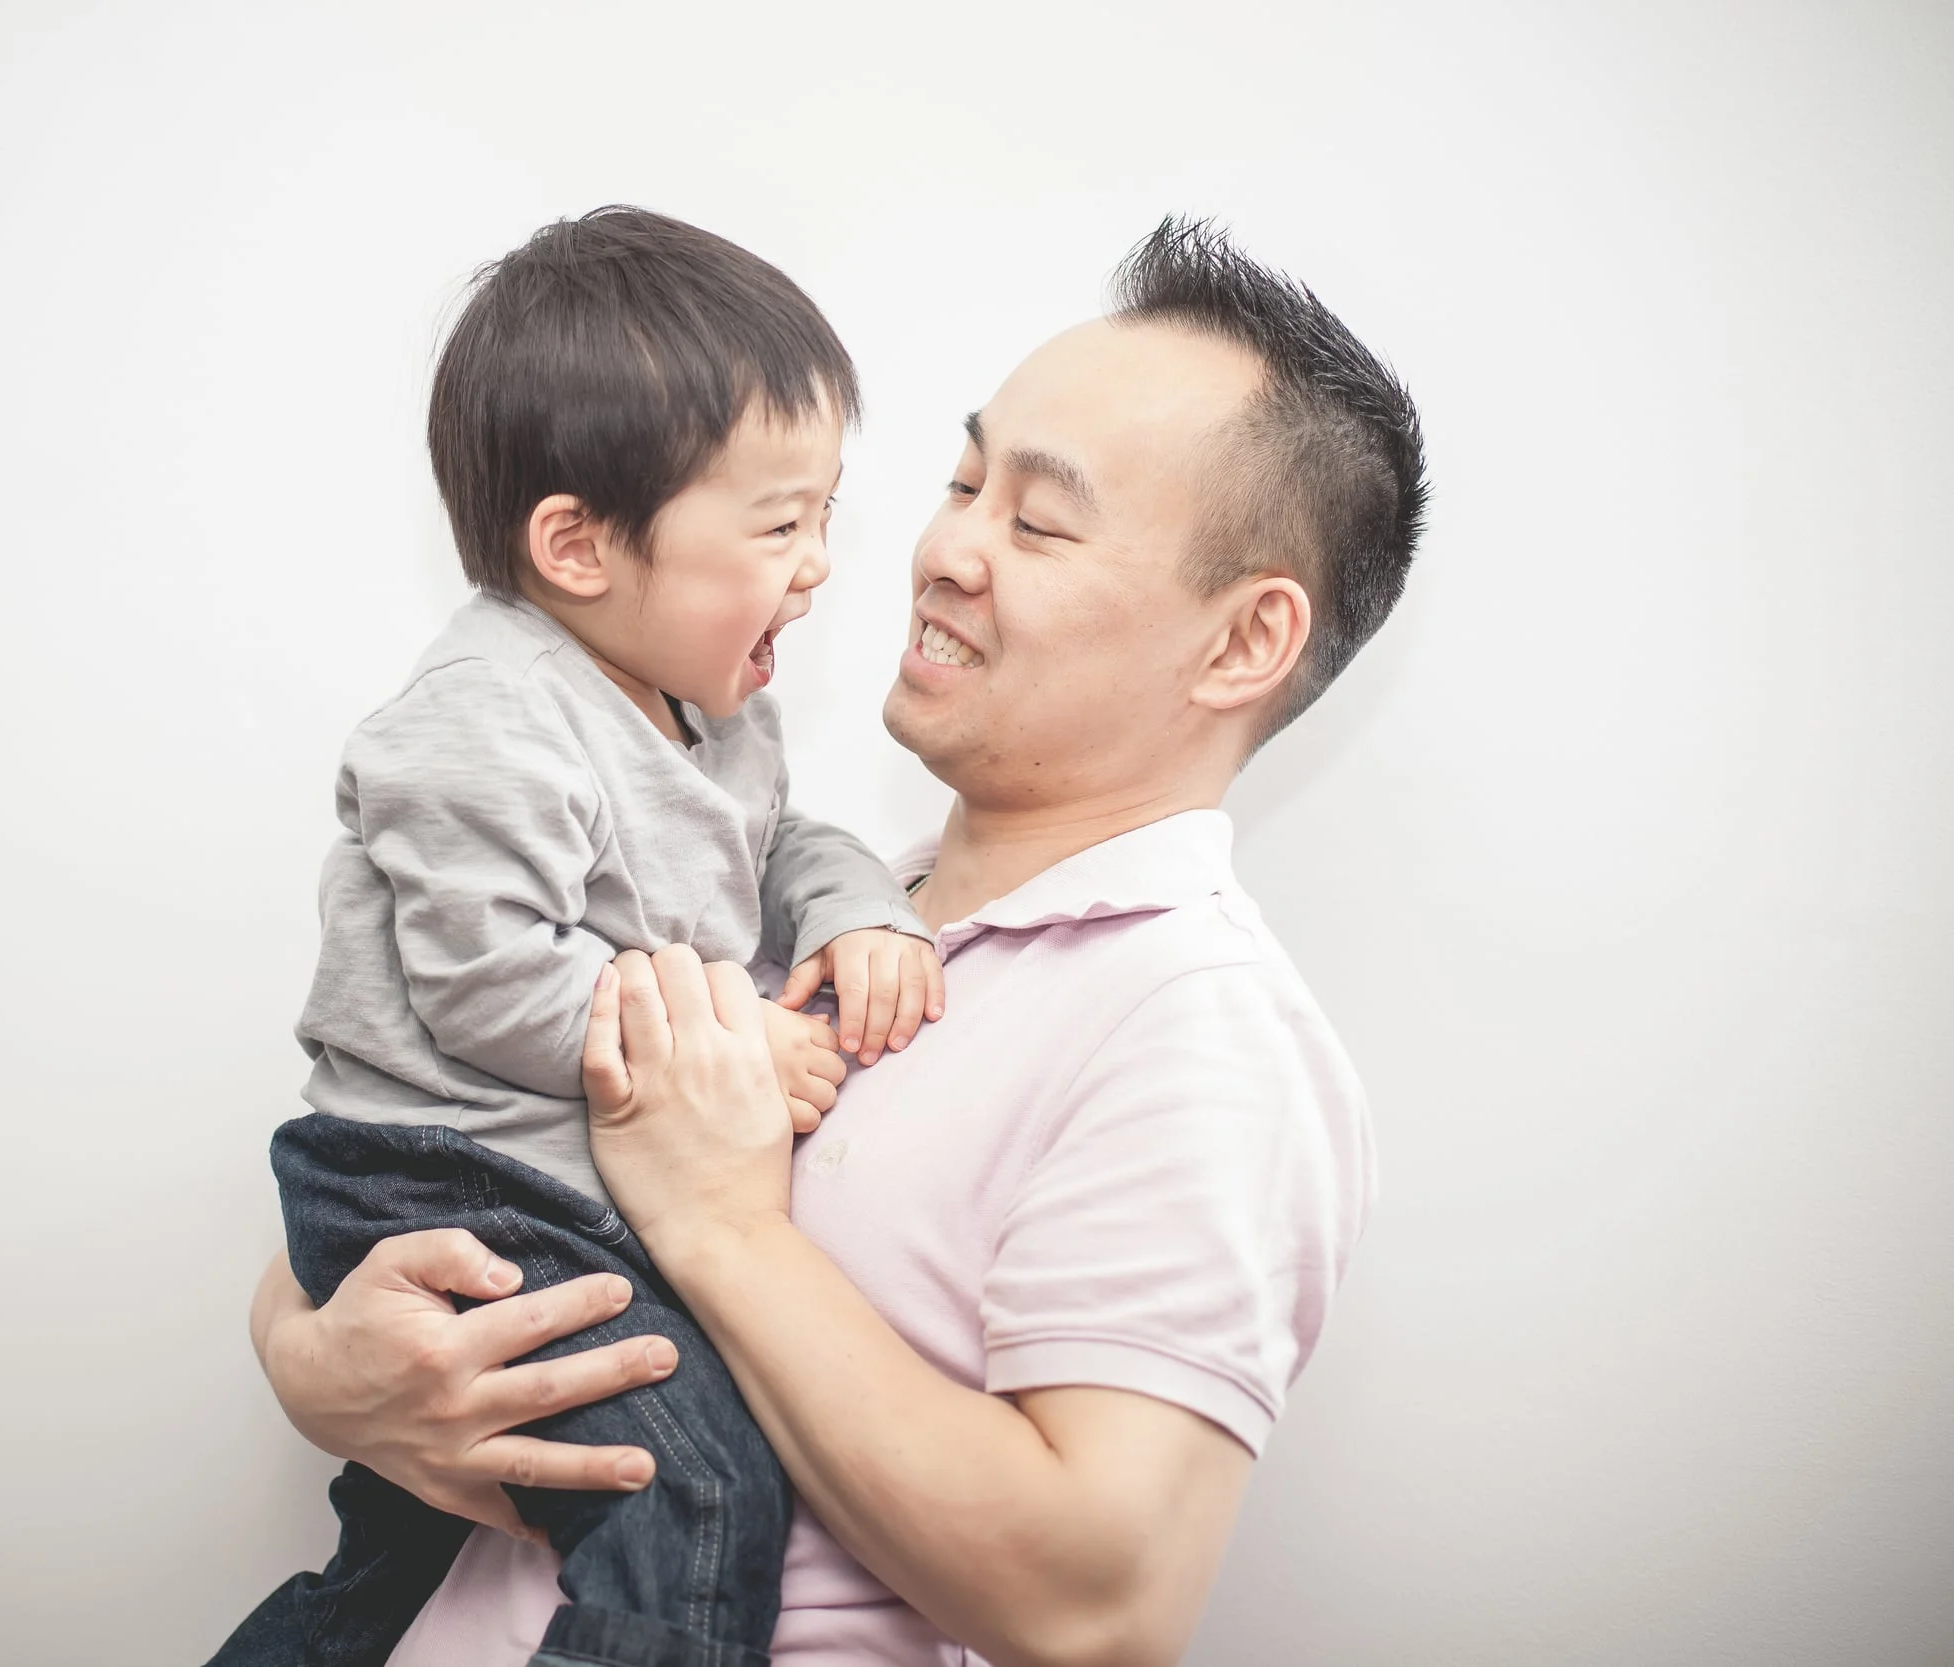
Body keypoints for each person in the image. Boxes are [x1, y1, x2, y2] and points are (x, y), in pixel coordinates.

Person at [244, 218, 1426, 1666]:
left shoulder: (1197, 1029)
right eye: (964, 482)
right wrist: (311, 1357)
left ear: (1242, 643)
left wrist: (726, 1225)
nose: (943, 549)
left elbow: (1100, 1606)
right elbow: (448, 1145)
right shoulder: (837, 901)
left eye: (1038, 524)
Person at [208, 208, 945, 1667]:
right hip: (442, 1178)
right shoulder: (488, 716)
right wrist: (733, 1051)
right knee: (700, 1495)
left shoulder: (712, 708)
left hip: (531, 1181)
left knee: (404, 1559)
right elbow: (486, 983)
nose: (818, 565)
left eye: (826, 516)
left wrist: (859, 905)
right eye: (779, 524)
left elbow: (772, 845)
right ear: (579, 545)